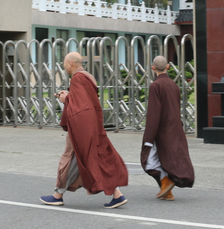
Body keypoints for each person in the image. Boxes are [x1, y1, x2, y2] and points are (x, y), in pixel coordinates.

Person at [39, 52, 129, 209]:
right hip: (91, 126)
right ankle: (117, 194)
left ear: (71, 63)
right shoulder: (88, 76)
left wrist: (66, 99)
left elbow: (81, 107)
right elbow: (84, 100)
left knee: (72, 158)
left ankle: (57, 195)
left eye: (64, 63)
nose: (64, 66)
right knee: (96, 160)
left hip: (82, 129)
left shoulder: (78, 78)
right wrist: (69, 96)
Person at [140, 56, 195, 200]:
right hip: (175, 128)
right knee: (165, 159)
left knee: (148, 160)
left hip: (161, 130)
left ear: (153, 68)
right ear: (168, 67)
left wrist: (148, 138)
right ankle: (167, 192)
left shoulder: (155, 86)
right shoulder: (173, 85)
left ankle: (166, 182)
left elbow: (154, 114)